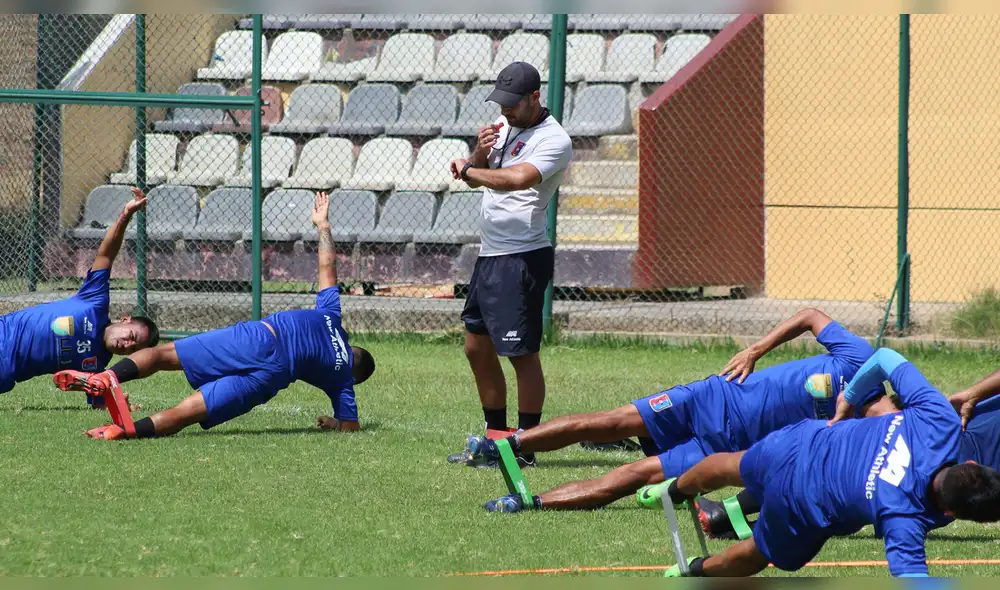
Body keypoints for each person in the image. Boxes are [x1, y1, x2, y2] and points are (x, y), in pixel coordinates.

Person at [477, 308, 893, 511]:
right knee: (612, 422)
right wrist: (756, 349)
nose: (886, 426)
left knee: (631, 477)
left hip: (718, 452)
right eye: (891, 418)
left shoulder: (856, 437)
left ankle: (529, 504)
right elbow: (810, 316)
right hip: (713, 398)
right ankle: (508, 444)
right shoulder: (859, 359)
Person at [54, 192, 375, 440]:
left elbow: (327, 266)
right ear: (355, 374)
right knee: (190, 411)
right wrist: (334, 421)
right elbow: (351, 425)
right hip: (271, 376)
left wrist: (323, 226)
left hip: (259, 338)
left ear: (353, 347)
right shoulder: (342, 381)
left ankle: (107, 377)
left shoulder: (331, 315)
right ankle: (125, 432)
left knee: (167, 355)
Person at [657, 348, 1000, 578]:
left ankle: (674, 489)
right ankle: (694, 571)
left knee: (735, 464)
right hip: (802, 506)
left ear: (968, 462)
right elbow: (911, 577)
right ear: (952, 514)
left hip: (802, 443)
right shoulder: (904, 516)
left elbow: (884, 357)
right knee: (759, 552)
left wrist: (849, 397)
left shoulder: (939, 421)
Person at [692, 372, 1000, 540]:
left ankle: (735, 516)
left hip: (958, 469)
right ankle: (735, 515)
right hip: (957, 446)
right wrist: (974, 394)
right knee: (846, 473)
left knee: (845, 470)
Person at [446, 61, 573, 466]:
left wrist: (473, 169)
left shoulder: (555, 140)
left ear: (534, 98)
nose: (504, 112)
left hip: (521, 257)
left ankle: (527, 447)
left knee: (521, 354)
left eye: (511, 105)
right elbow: (476, 174)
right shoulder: (502, 126)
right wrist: (478, 153)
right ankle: (497, 439)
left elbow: (518, 178)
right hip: (490, 254)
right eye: (500, 103)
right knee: (475, 346)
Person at [0, 187, 158, 401]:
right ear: (124, 320)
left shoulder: (96, 366)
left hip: (6, 373)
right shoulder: (95, 302)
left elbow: (98, 401)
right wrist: (126, 215)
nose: (127, 345)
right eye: (131, 336)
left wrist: (119, 405)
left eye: (133, 349)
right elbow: (107, 254)